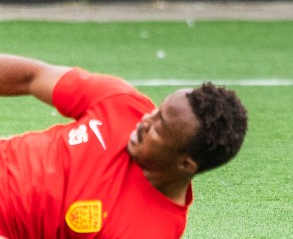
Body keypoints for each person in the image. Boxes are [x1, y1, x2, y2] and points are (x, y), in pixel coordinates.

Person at [0, 53, 248, 239]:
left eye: (158, 128)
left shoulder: (149, 230)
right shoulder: (122, 103)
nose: (144, 120)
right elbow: (33, 77)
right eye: (156, 111)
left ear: (185, 163)